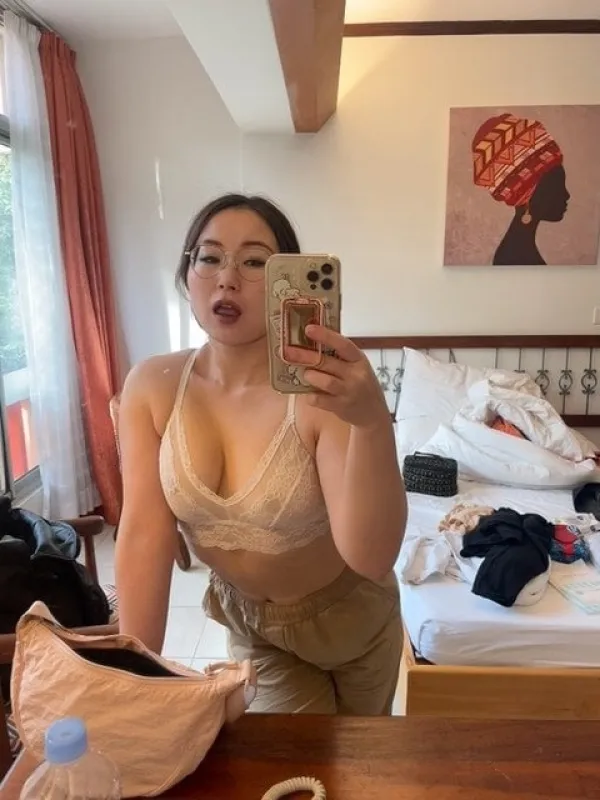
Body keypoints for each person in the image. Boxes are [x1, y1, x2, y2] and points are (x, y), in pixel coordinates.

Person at [115, 193, 407, 715]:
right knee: (288, 763)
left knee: (359, 762)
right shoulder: (153, 387)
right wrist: (135, 678)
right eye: (209, 257)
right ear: (187, 275)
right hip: (255, 629)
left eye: (255, 262)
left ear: (285, 285)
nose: (227, 279)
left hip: (354, 619)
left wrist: (371, 422)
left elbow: (371, 555)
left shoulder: (323, 391)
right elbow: (143, 536)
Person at [472, 113, 570, 265]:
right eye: (556, 187)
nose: (567, 195)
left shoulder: (516, 249)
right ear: (527, 195)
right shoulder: (517, 256)